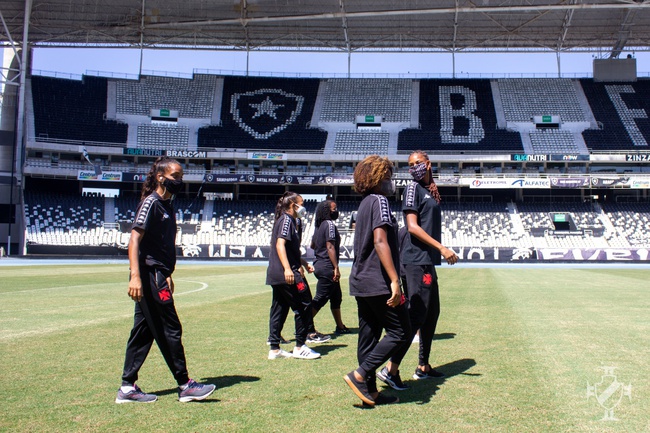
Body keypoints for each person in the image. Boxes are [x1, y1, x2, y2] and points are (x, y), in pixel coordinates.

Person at [116, 156, 216, 404]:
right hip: (149, 275)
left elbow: (160, 245)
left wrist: (167, 274)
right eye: (175, 176)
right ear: (161, 177)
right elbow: (135, 240)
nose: (179, 181)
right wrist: (136, 277)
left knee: (143, 331)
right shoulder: (151, 203)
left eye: (181, 177)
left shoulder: (168, 206)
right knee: (170, 328)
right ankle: (185, 385)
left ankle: (127, 389)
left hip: (158, 275)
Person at [377, 150, 458, 392]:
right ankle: (390, 369)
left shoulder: (428, 190)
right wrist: (442, 248)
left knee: (432, 314)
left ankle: (423, 366)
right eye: (410, 165)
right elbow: (412, 227)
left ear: (429, 164)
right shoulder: (412, 188)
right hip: (415, 260)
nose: (414, 168)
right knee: (417, 316)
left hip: (426, 261)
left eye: (418, 163)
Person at [343, 155, 410, 406]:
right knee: (401, 331)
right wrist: (395, 280)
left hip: (361, 279)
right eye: (388, 177)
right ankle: (360, 374)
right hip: (377, 279)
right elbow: (380, 240)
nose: (391, 182)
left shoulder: (364, 204)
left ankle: (369, 392)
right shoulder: (380, 200)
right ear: (378, 178)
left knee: (368, 336)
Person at [266, 191, 321, 360]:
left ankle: (274, 348)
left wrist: (303, 263)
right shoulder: (287, 220)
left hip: (276, 274)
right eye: (301, 203)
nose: (303, 207)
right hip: (287, 274)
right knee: (304, 304)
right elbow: (280, 244)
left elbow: (291, 250)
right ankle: (300, 346)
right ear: (293, 205)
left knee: (279, 308)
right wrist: (288, 269)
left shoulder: (287, 220)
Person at [310, 199, 349, 337]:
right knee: (320, 298)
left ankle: (340, 326)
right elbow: (330, 246)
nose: (336, 211)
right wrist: (336, 267)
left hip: (319, 264)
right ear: (327, 211)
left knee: (336, 296)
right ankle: (304, 326)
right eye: (334, 208)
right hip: (327, 266)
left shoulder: (319, 226)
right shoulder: (329, 225)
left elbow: (312, 245)